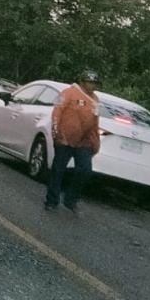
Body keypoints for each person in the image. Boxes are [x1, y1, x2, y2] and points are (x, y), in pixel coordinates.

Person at [45, 69, 101, 213]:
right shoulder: (68, 93)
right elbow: (57, 111)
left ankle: (71, 199)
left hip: (84, 141)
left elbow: (95, 122)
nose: (92, 85)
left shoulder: (95, 100)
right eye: (90, 82)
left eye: (95, 83)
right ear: (82, 82)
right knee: (58, 170)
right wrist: (56, 131)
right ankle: (52, 200)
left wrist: (96, 142)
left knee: (85, 170)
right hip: (65, 139)